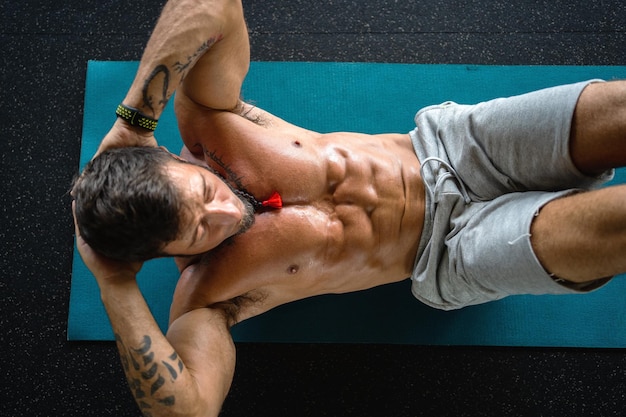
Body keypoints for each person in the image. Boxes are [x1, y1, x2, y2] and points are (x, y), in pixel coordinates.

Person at [72, 0, 626, 415]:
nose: (222, 216)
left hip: (454, 146)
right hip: (449, 252)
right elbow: (191, 411)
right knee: (611, 227)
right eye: (196, 233)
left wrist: (131, 119)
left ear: (171, 154)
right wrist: (114, 284)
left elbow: (213, 4)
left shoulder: (210, 121)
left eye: (203, 195)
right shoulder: (208, 296)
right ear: (163, 256)